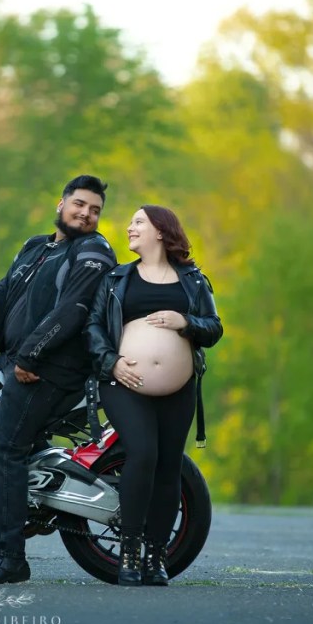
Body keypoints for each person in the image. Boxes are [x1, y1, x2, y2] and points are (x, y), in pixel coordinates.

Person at [0, 175, 117, 585]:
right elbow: (0, 296)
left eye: (95, 210)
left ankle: (8, 557)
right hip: (14, 361)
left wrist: (33, 354)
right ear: (61, 203)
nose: (86, 214)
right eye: (80, 204)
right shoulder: (35, 247)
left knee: (7, 447)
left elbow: (73, 309)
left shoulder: (95, 250)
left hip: (51, 368)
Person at [84, 205, 222, 586]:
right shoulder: (117, 278)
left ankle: (156, 556)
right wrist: (110, 363)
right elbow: (94, 327)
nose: (130, 228)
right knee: (142, 454)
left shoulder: (192, 280)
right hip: (123, 383)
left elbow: (213, 328)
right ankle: (129, 551)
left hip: (178, 390)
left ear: (161, 231)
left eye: (138, 222)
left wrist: (186, 321)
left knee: (168, 467)